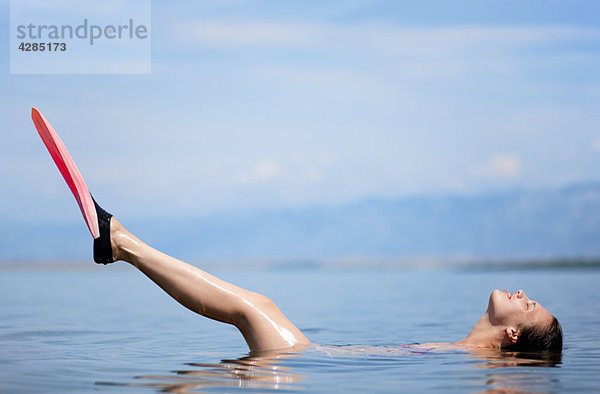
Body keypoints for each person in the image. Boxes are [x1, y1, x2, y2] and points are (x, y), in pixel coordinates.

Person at [91, 201, 563, 354]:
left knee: (254, 307)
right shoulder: (460, 353)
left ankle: (124, 245)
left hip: (309, 366)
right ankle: (125, 245)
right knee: (254, 307)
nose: (522, 293)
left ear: (514, 332)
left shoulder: (472, 366)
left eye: (529, 303)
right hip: (317, 361)